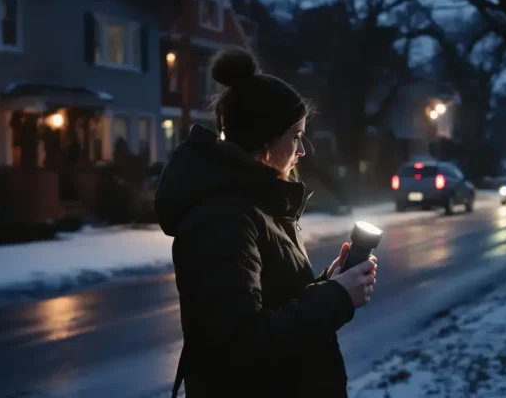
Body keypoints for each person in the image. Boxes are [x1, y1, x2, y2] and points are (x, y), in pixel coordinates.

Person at [155, 47, 378, 397]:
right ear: (265, 142)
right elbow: (240, 344)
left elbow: (275, 305)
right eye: (296, 136)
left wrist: (328, 284)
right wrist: (336, 298)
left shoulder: (256, 205)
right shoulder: (222, 217)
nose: (302, 151)